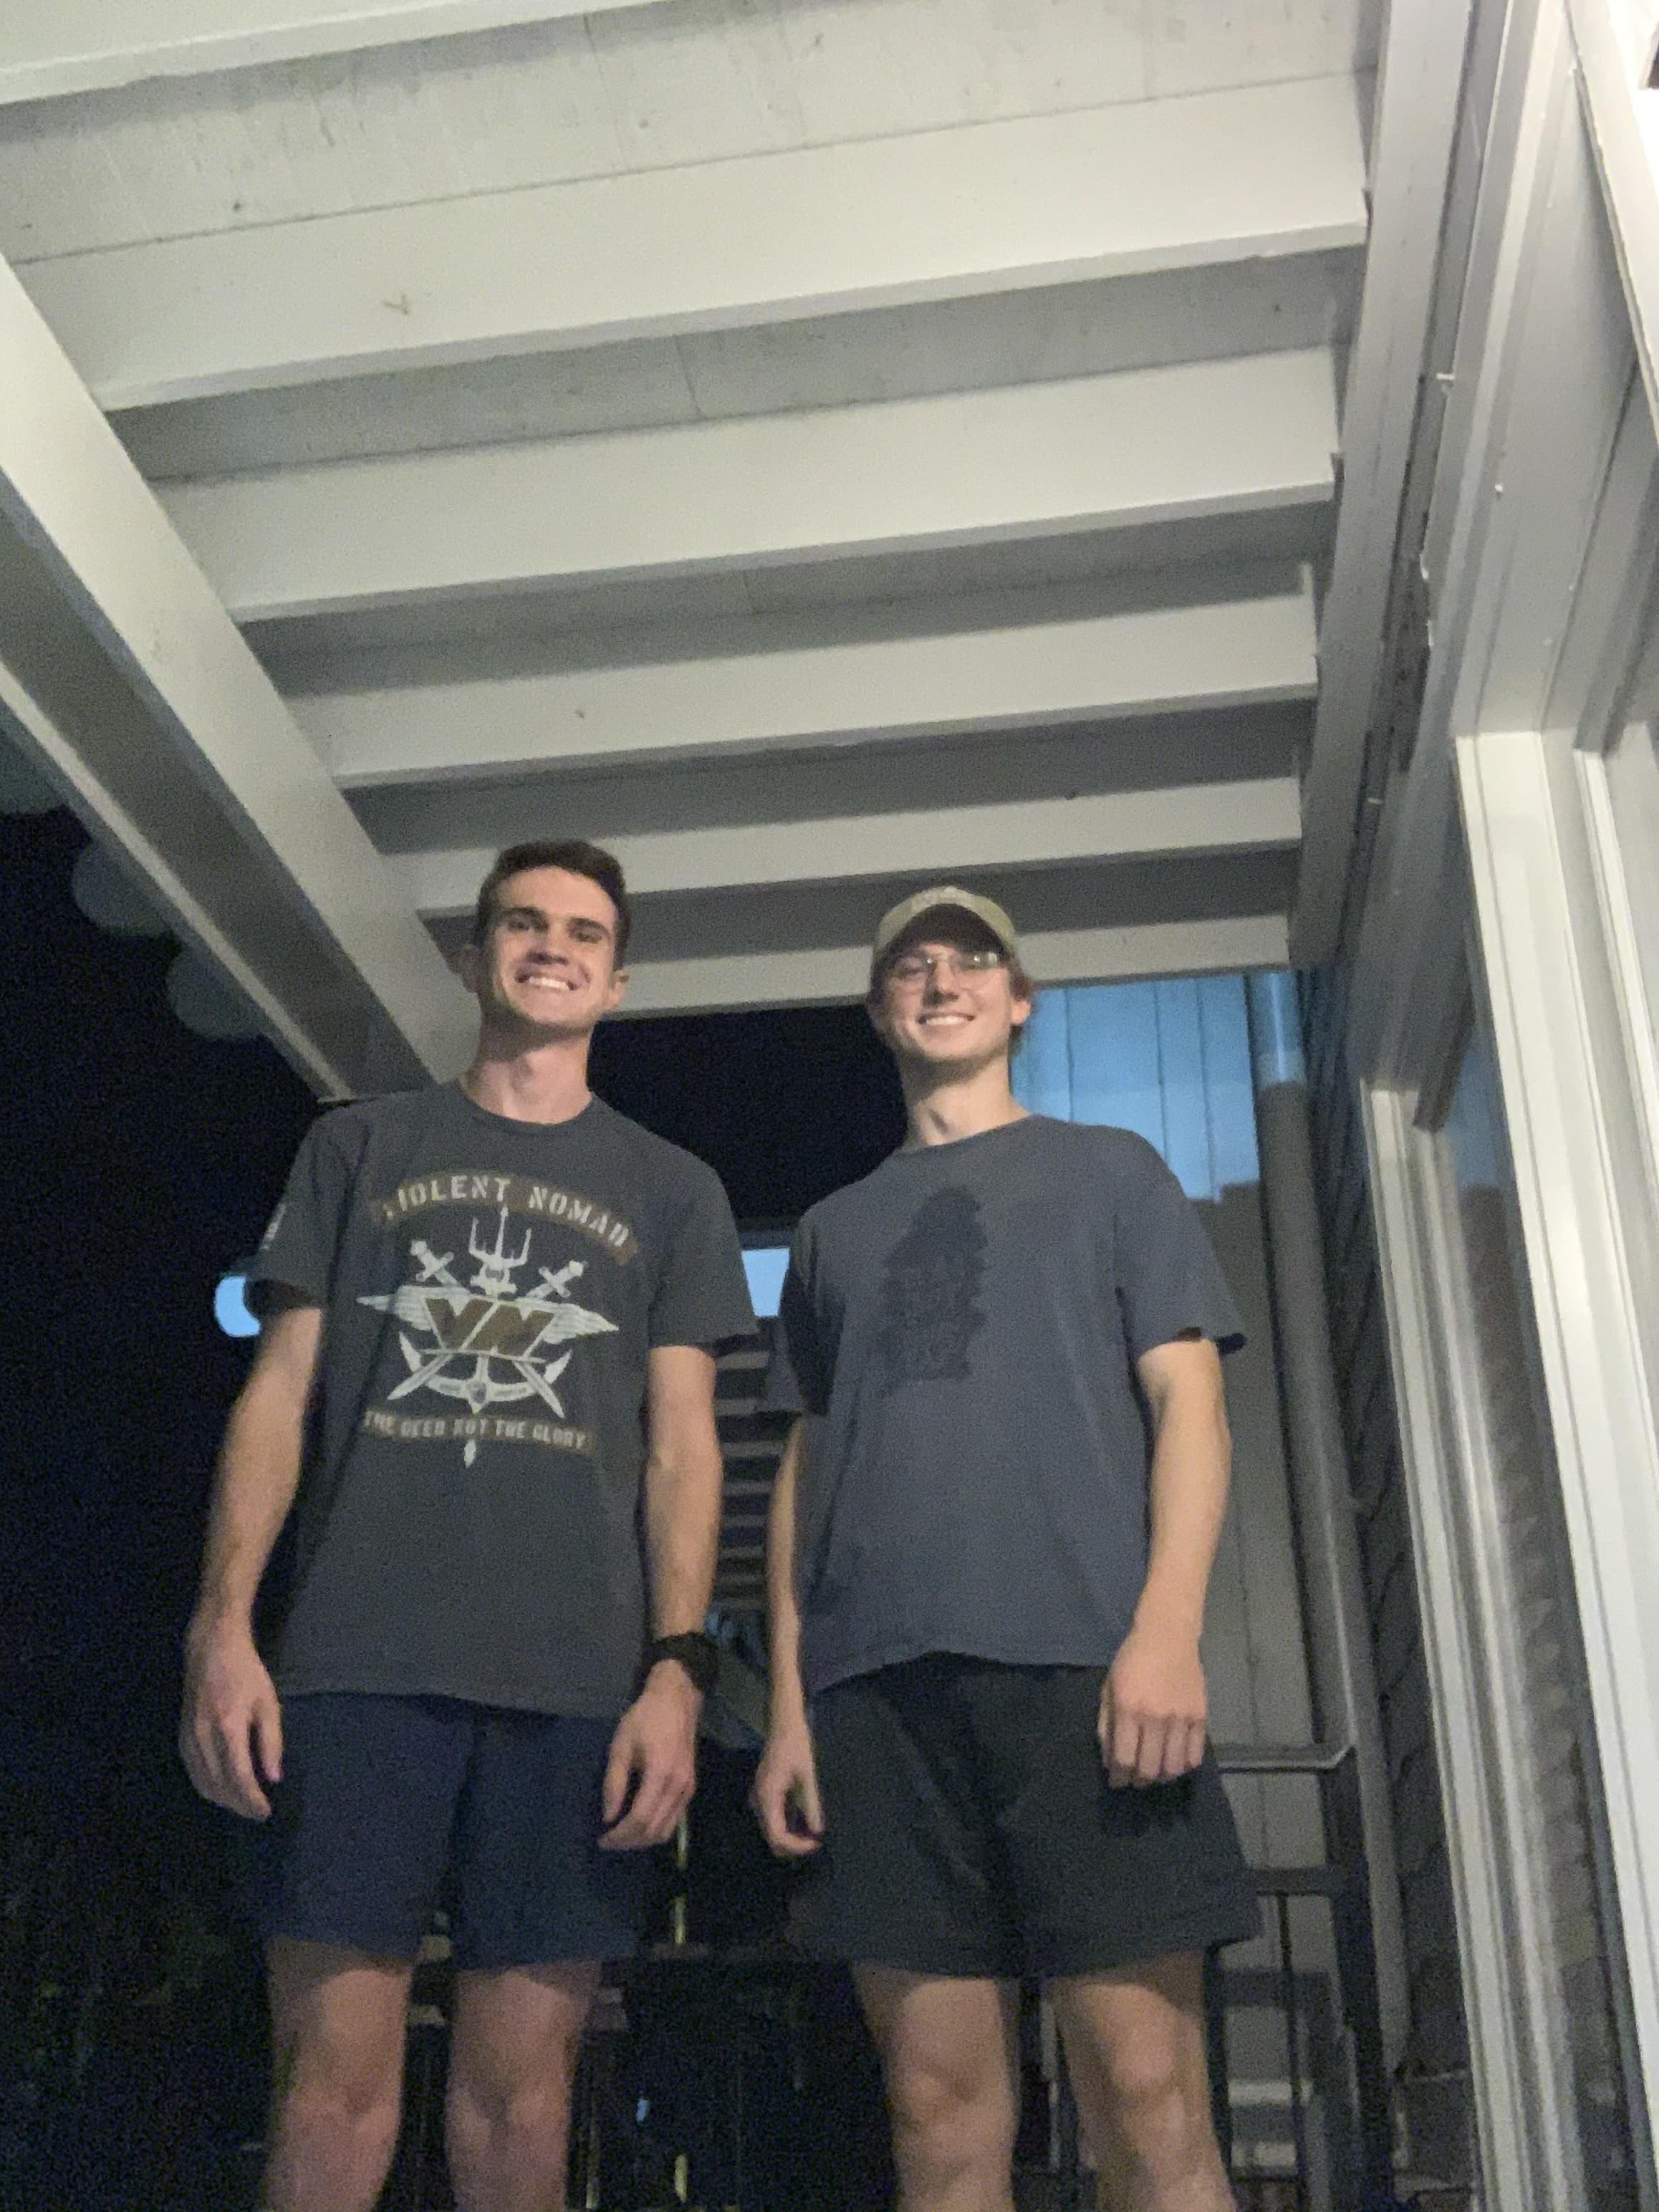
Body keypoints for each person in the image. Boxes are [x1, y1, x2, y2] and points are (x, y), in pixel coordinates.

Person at [180, 838, 754, 2212]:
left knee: (522, 2106)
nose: (553, 947)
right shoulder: (358, 1145)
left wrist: (678, 1671)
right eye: (524, 922)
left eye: (585, 932)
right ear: (474, 955)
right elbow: (277, 1397)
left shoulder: (674, 1188)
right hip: (354, 1666)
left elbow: (684, 1449)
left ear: (619, 980)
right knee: (325, 2093)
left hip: (574, 1684)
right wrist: (221, 1629)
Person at [754, 885, 1259, 2212]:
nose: (942, 981)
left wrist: (1166, 1634)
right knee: (936, 2117)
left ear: (1019, 1000)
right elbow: (808, 1473)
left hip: (1088, 1679)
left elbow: (1192, 1407)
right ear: (880, 1012)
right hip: (876, 1703)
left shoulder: (1114, 1171)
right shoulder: (832, 1229)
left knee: (1145, 2097)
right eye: (911, 967)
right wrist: (792, 1708)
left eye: (973, 960)